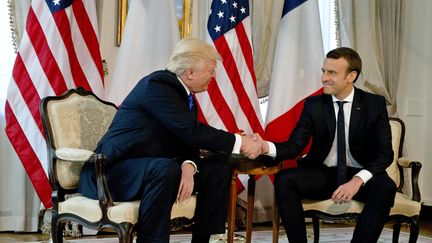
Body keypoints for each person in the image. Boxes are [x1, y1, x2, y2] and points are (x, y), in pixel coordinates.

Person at [78, 38, 262, 243]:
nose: (213, 75)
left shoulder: (184, 95)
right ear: (190, 72)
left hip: (151, 168)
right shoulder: (158, 86)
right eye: (210, 70)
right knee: (164, 168)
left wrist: (189, 165)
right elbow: (192, 131)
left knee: (218, 167)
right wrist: (241, 143)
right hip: (112, 171)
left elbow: (184, 138)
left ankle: (202, 240)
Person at [259, 47, 397, 243]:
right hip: (324, 174)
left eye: (331, 73)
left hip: (360, 174)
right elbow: (294, 146)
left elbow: (385, 154)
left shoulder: (373, 104)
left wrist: (358, 180)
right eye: (323, 71)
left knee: (385, 186)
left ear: (351, 76)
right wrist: (266, 147)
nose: (324, 78)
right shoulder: (314, 105)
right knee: (284, 180)